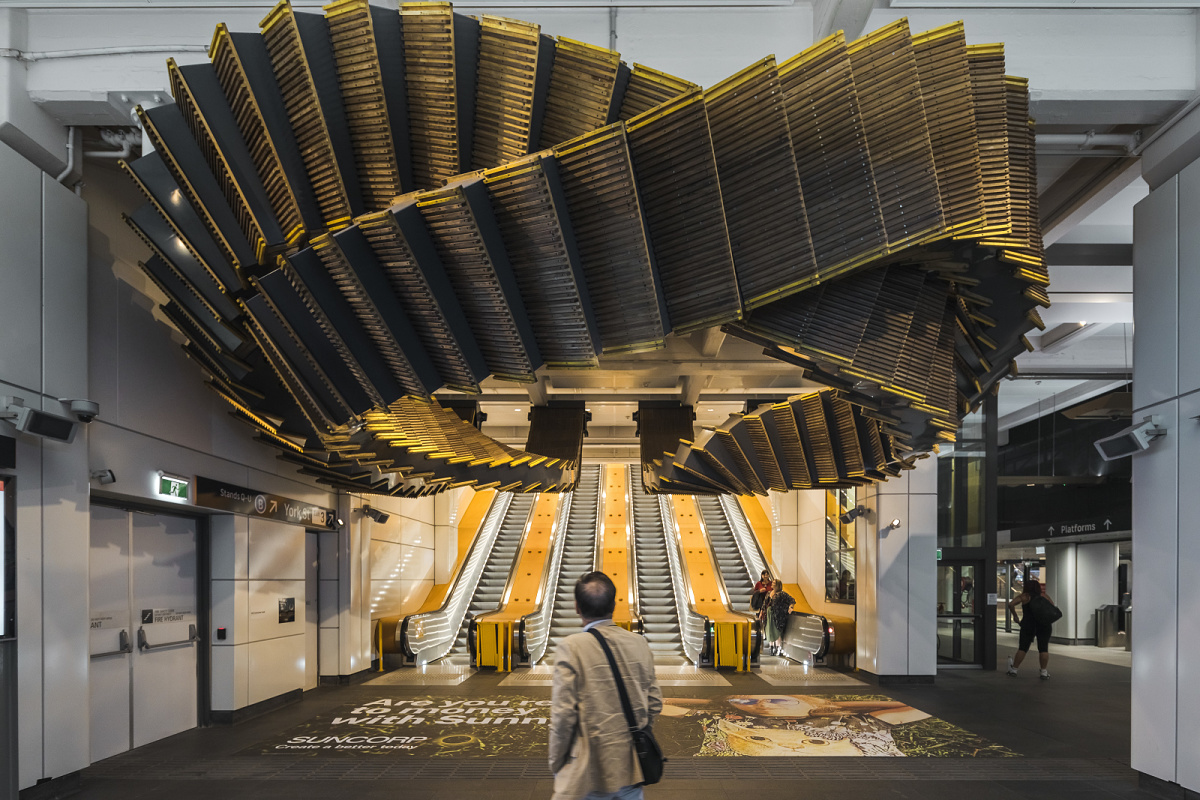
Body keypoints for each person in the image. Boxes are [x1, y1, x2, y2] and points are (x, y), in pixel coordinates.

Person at [549, 571, 663, 800]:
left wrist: (557, 762)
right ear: (614, 604)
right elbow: (654, 702)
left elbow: (563, 716)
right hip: (630, 767)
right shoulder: (638, 643)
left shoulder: (571, 648)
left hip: (587, 770)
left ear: (577, 607)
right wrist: (637, 732)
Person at [1006, 577, 1055, 679]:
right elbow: (1052, 607)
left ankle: (1014, 670)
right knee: (1043, 648)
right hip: (1044, 625)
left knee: (1023, 647)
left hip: (1028, 625)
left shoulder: (1025, 597)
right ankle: (1043, 672)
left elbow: (1011, 604)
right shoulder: (1044, 596)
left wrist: (1015, 615)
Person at [763, 580, 795, 655]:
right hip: (769, 615)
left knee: (777, 632)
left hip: (778, 616)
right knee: (770, 631)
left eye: (774, 583)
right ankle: (771, 648)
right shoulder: (769, 593)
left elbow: (792, 600)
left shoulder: (782, 594)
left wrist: (791, 607)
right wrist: (762, 611)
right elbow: (765, 603)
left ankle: (778, 648)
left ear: (778, 585)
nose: (772, 584)